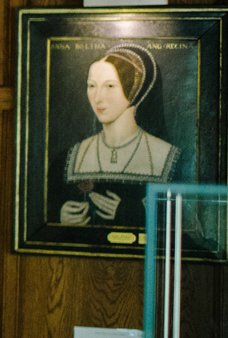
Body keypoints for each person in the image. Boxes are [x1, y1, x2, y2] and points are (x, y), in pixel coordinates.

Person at [55, 43, 182, 228]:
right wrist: (61, 218)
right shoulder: (68, 158)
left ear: (135, 88)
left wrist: (132, 214)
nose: (98, 97)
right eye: (92, 86)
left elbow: (180, 228)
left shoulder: (170, 159)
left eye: (109, 86)